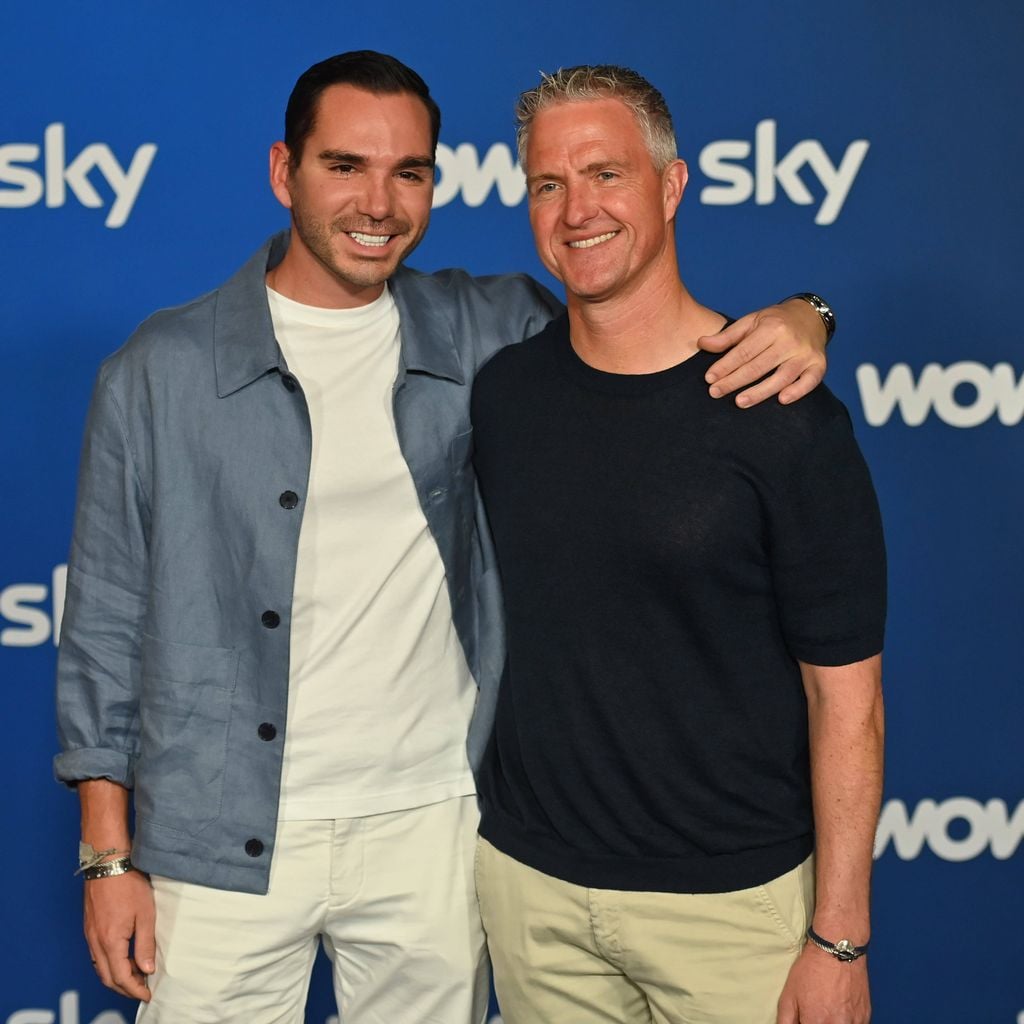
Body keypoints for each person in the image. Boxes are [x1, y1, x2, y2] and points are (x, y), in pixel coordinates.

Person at [54, 51, 835, 1023]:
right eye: (344, 166)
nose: (378, 204)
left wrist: (808, 314)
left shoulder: (490, 328)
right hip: (218, 831)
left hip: (433, 828)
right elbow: (105, 622)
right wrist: (108, 855)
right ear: (283, 172)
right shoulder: (159, 371)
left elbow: (645, 327)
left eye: (409, 173)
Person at [471, 64, 885, 1024]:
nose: (577, 209)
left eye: (605, 174)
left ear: (671, 186)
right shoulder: (502, 393)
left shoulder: (783, 414)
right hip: (533, 897)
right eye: (548, 183)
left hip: (733, 912)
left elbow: (848, 701)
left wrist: (840, 937)